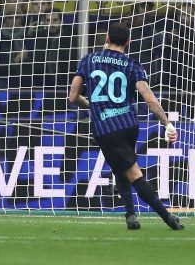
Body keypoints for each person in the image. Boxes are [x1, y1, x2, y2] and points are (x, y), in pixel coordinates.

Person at [68, 21, 184, 231]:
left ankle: (168, 217)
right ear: (128, 42)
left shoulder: (89, 60)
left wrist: (93, 106)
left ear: (107, 39)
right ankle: (130, 215)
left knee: (133, 173)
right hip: (129, 125)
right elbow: (148, 98)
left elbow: (73, 96)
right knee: (120, 166)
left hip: (106, 128)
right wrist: (166, 123)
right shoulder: (133, 65)